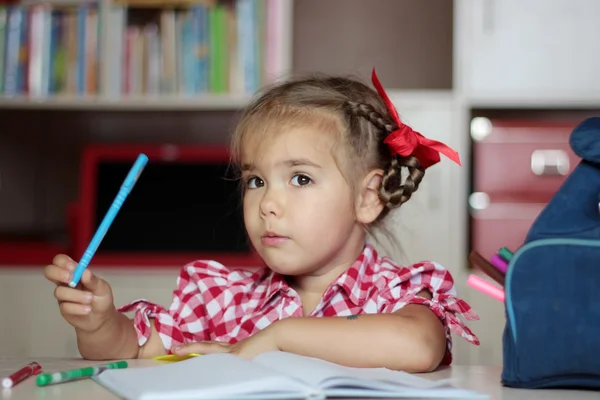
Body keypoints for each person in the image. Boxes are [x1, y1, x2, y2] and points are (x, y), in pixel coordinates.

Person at [44, 70, 479, 373]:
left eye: (300, 178)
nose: (268, 202)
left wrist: (278, 337)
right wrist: (99, 324)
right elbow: (134, 349)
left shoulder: (393, 295)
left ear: (367, 198)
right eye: (255, 180)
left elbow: (419, 345)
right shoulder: (226, 301)